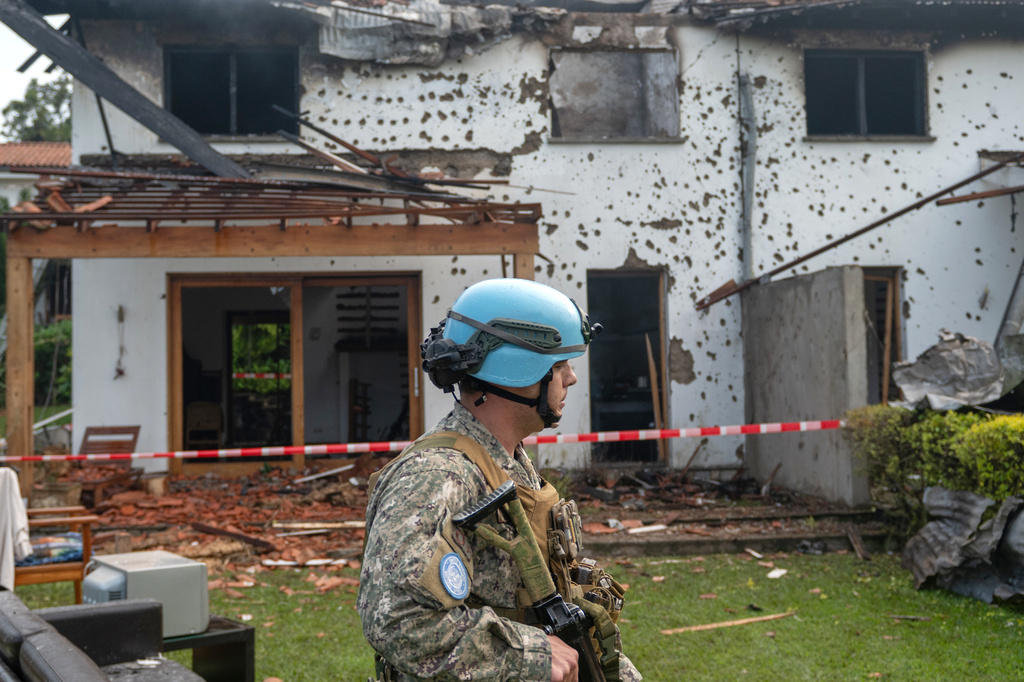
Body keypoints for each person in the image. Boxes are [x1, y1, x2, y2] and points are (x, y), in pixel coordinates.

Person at [358, 278, 642, 682]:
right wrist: (532, 656)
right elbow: (397, 619)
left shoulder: (508, 461)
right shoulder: (437, 476)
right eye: (558, 365)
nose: (572, 378)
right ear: (515, 370)